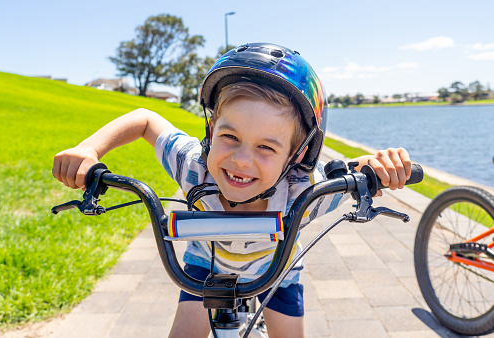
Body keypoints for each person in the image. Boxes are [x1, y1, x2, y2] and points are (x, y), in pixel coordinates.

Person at [52, 43, 411, 338]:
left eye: (266, 148)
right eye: (229, 137)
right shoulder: (194, 165)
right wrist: (90, 149)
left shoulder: (305, 191)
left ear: (297, 154)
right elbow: (146, 119)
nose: (241, 160)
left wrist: (379, 167)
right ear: (210, 130)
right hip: (202, 268)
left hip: (276, 274)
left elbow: (355, 169)